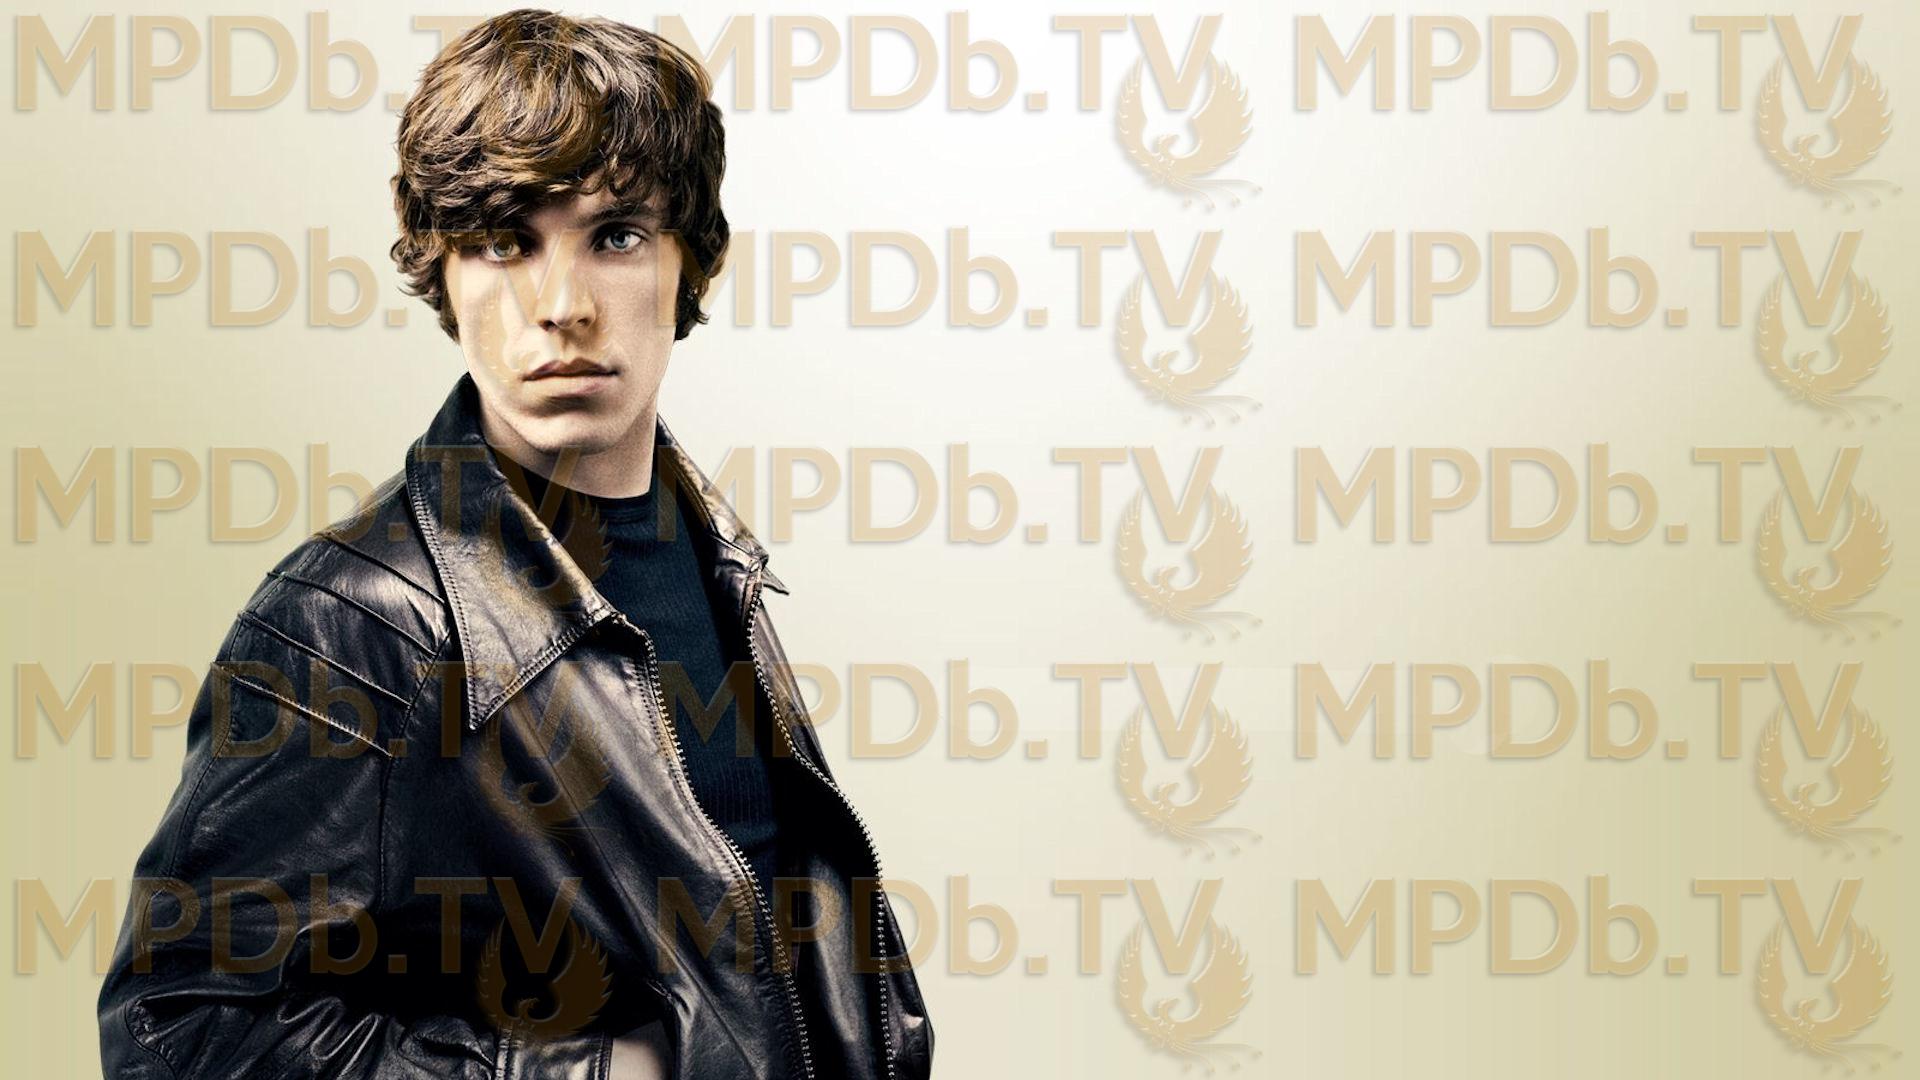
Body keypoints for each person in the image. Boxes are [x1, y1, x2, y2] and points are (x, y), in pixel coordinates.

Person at [96, 10, 933, 1078]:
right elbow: (180, 1026)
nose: (563, 306)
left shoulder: (715, 554)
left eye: (616, 235)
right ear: (442, 276)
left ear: (693, 263)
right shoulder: (352, 623)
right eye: (504, 241)